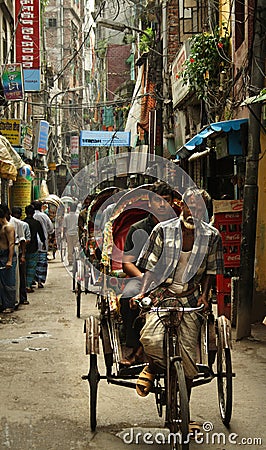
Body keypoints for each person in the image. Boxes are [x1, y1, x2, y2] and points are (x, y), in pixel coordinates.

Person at [131, 187, 224, 399]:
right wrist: (142, 293)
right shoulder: (163, 231)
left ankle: (184, 409)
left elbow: (210, 271)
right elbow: (150, 269)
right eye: (190, 206)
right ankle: (154, 367)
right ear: (181, 206)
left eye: (199, 209)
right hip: (162, 295)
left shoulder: (212, 236)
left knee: (189, 357)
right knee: (151, 341)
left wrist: (205, 295)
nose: (194, 212)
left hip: (190, 297)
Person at [119, 182, 176, 365]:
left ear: (172, 203)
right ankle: (134, 347)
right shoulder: (138, 229)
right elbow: (127, 263)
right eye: (157, 201)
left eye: (165, 201)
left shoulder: (180, 228)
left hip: (173, 279)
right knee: (129, 296)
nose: (161, 205)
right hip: (142, 278)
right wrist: (143, 278)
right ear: (150, 204)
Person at [11, 207, 31, 305]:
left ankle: (22, 297)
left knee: (21, 276)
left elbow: (24, 239)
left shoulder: (19, 224)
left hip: (17, 251)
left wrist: (22, 254)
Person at [24, 205, 46, 293]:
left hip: (24, 247)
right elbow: (41, 234)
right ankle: (28, 285)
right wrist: (44, 243)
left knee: (24, 267)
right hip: (34, 247)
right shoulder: (36, 223)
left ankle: (25, 284)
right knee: (32, 267)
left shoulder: (23, 222)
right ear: (33, 213)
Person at [31, 200, 54, 288]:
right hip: (43, 242)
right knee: (42, 262)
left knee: (33, 262)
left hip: (32, 243)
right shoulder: (44, 216)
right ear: (41, 207)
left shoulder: (31, 216)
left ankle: (32, 280)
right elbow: (51, 228)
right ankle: (40, 281)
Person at [0, 204, 16, 313]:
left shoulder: (8, 227)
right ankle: (3, 304)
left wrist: (9, 260)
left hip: (7, 256)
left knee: (8, 283)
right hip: (1, 256)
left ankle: (9, 305)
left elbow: (11, 244)